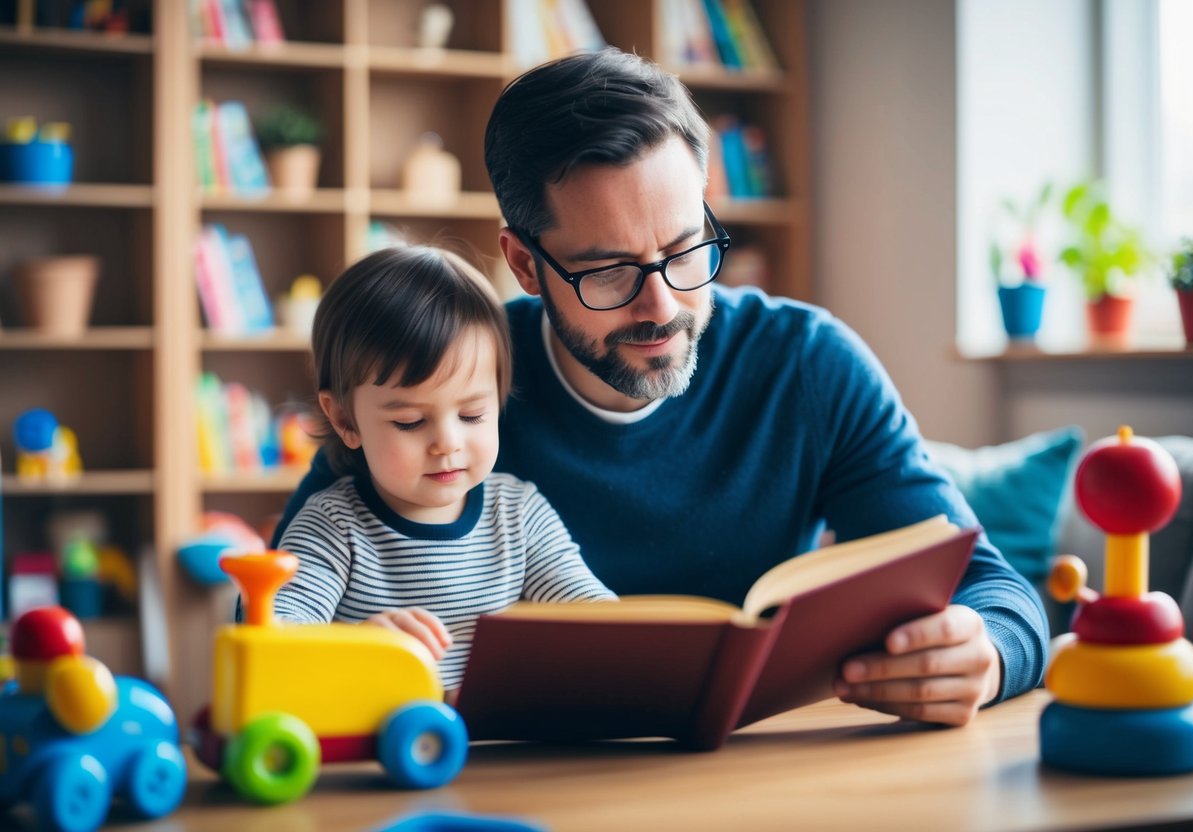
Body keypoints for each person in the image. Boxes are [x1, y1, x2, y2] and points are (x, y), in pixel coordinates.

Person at [277, 48, 1048, 726]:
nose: (663, 306)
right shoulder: (448, 381)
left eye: (685, 250)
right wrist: (349, 655)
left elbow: (996, 593)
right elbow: (278, 610)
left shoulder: (806, 365)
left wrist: (984, 657)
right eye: (609, 271)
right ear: (523, 265)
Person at [273, 244, 616, 690]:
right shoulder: (333, 528)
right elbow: (276, 636)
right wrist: (353, 646)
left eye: (472, 415)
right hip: (386, 749)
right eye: (410, 422)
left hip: (501, 750)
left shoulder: (518, 514)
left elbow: (595, 615)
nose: (447, 443)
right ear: (344, 419)